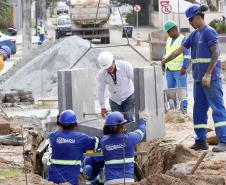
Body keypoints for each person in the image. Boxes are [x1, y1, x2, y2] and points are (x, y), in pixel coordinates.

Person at [161, 4, 226, 152]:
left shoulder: (209, 32)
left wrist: (208, 74)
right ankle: (200, 140)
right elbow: (179, 50)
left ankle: (224, 140)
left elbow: (216, 54)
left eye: (191, 20)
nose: (189, 23)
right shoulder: (194, 34)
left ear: (198, 17)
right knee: (199, 110)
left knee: (217, 108)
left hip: (211, 78)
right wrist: (165, 61)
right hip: (198, 79)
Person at [47, 110, 100, 185]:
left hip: (53, 180)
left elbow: (55, 135)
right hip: (72, 181)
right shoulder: (81, 138)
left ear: (60, 124)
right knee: (88, 169)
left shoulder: (53, 136)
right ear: (75, 124)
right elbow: (98, 142)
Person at [100, 111, 147, 184]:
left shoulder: (103, 141)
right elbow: (141, 131)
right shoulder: (130, 138)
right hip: (128, 181)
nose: (124, 126)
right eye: (123, 124)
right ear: (120, 126)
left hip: (110, 181)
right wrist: (143, 120)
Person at [97, 51, 134, 122]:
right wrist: (102, 107)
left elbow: (136, 80)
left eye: (110, 68)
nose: (109, 70)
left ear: (113, 61)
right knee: (117, 122)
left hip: (128, 97)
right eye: (106, 69)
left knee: (128, 119)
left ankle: (130, 133)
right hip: (114, 101)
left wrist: (138, 99)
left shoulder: (125, 66)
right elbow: (101, 90)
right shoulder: (101, 74)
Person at [163, 20, 191, 113]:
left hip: (179, 70)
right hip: (169, 69)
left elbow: (187, 55)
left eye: (168, 32)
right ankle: (173, 109)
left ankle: (184, 108)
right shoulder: (169, 39)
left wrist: (184, 67)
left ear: (174, 29)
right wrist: (163, 65)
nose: (168, 34)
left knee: (182, 89)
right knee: (171, 90)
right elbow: (166, 53)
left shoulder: (183, 39)